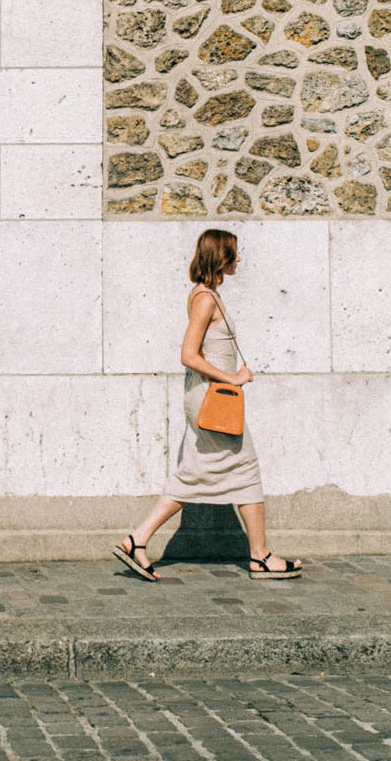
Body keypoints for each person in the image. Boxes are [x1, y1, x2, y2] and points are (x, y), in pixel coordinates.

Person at [112, 229, 301, 583]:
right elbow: (187, 355)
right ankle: (258, 557)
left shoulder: (208, 295)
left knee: (219, 470)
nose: (239, 259)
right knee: (236, 467)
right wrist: (231, 378)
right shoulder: (205, 300)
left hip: (210, 396)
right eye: (234, 253)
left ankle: (139, 540)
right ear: (221, 257)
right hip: (211, 398)